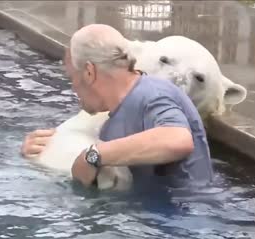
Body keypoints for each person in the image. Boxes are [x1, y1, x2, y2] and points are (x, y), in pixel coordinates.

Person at [21, 24, 214, 190]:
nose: (74, 89)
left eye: (73, 77)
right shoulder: (117, 109)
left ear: (89, 72)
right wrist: (35, 152)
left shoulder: (152, 94)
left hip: (189, 216)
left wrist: (93, 155)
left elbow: (178, 139)